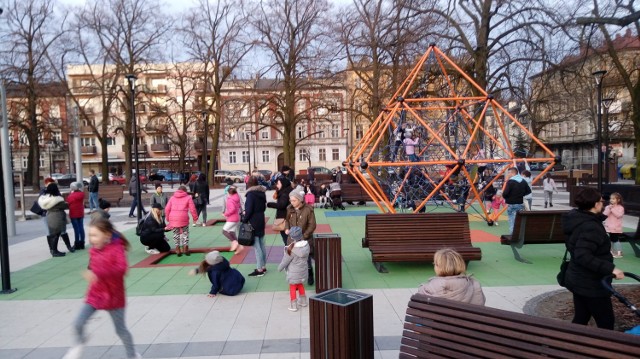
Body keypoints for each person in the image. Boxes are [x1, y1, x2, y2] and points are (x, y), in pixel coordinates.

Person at [63, 218, 140, 359]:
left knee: (121, 330)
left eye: (95, 235)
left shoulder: (117, 249)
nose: (92, 240)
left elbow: (122, 269)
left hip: (114, 296)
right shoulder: (93, 250)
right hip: (96, 294)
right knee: (77, 323)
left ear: (107, 236)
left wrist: (99, 273)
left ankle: (132, 355)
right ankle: (79, 343)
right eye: (90, 235)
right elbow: (94, 268)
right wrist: (92, 273)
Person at [561, 187, 625, 330]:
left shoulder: (577, 219)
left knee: (581, 317)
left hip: (579, 278)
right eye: (601, 202)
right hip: (591, 283)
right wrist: (611, 268)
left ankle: (570, 345)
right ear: (596, 204)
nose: (602, 204)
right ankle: (603, 349)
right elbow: (583, 255)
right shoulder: (590, 227)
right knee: (606, 322)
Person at [417, 248, 485, 305]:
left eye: (435, 264)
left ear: (439, 268)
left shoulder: (428, 288)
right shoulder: (474, 286)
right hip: (469, 320)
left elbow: (419, 306)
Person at [285, 190, 317, 285]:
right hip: (292, 238)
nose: (292, 202)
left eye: (294, 200)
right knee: (293, 259)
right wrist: (287, 228)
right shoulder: (289, 208)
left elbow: (312, 225)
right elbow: (287, 220)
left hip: (305, 239)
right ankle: (296, 277)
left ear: (300, 200)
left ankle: (310, 273)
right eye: (291, 200)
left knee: (306, 258)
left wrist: (304, 236)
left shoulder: (308, 209)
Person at [278, 226, 310, 312]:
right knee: (300, 284)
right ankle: (303, 301)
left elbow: (285, 261)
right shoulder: (306, 245)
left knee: (292, 287)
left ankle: (293, 305)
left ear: (291, 237)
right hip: (303, 271)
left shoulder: (291, 249)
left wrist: (280, 268)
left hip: (294, 273)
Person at [38, 182, 73, 257]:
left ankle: (53, 250)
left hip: (49, 216)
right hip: (57, 217)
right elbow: (66, 205)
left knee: (52, 234)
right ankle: (55, 251)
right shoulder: (58, 200)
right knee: (56, 234)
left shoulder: (45, 199)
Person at [165, 185, 198, 257]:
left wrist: (168, 218)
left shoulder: (172, 198)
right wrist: (195, 218)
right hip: (183, 218)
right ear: (185, 191)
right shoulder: (188, 198)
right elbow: (192, 209)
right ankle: (185, 248)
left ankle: (177, 248)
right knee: (185, 233)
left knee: (176, 233)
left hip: (173, 218)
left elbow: (167, 209)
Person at [244, 176, 267, 277]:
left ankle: (259, 269)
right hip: (261, 218)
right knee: (261, 244)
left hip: (253, 220)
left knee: (256, 245)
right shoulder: (262, 193)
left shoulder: (250, 195)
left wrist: (244, 220)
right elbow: (264, 207)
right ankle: (263, 266)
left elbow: (249, 210)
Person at [502, 167, 531, 234]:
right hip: (520, 203)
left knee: (512, 220)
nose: (508, 174)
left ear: (512, 173)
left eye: (508, 173)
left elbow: (505, 193)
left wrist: (505, 197)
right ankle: (520, 234)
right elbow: (528, 191)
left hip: (511, 203)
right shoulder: (522, 180)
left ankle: (513, 234)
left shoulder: (510, 181)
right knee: (518, 220)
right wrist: (520, 195)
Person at [267, 177, 293, 245]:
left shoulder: (284, 194)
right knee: (288, 238)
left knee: (286, 239)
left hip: (284, 218)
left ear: (283, 184)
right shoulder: (288, 191)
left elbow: (281, 205)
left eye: (278, 183)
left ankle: (289, 252)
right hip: (287, 217)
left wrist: (269, 204)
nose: (277, 185)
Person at [222, 186, 244, 255]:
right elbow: (239, 206)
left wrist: (226, 214)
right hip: (236, 218)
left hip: (232, 219)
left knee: (224, 231)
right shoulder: (236, 197)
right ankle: (239, 246)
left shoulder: (231, 199)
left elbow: (232, 209)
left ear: (229, 193)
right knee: (231, 232)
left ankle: (234, 242)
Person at [603, 192, 625, 258]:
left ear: (618, 200)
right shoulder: (608, 207)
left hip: (615, 228)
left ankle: (619, 252)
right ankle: (610, 251)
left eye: (613, 199)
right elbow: (605, 214)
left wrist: (612, 209)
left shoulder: (620, 208)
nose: (611, 200)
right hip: (608, 227)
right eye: (611, 198)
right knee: (609, 240)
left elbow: (619, 215)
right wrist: (609, 208)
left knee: (615, 239)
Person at [67, 182, 86, 250]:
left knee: (76, 229)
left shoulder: (71, 196)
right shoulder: (82, 194)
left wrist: (70, 193)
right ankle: (82, 243)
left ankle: (77, 243)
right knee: (81, 227)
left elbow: (68, 201)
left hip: (73, 213)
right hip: (80, 212)